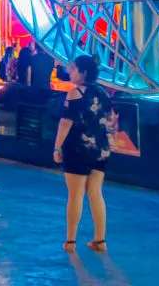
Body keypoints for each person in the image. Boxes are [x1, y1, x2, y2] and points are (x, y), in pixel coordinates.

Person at [52, 55, 112, 254]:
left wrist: (57, 147)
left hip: (78, 149)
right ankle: (100, 239)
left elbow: (65, 122)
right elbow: (109, 119)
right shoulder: (102, 92)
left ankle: (70, 242)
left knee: (75, 194)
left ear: (83, 72)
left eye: (74, 68)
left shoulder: (74, 94)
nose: (70, 71)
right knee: (96, 193)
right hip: (100, 149)